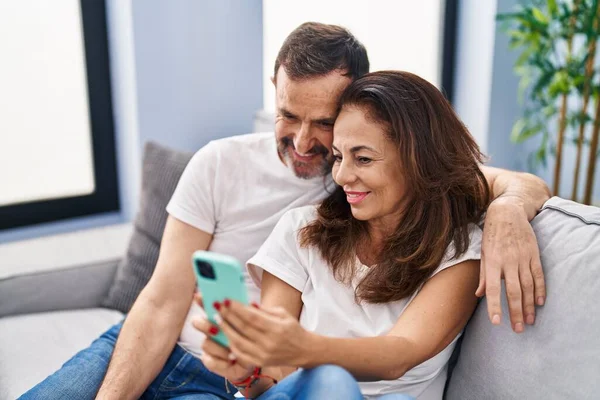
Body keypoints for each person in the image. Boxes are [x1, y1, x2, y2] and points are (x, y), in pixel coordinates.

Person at [21, 23, 549, 399]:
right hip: (166, 347)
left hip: (241, 379)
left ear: (349, 108)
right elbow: (162, 300)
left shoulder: (384, 188)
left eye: (323, 123)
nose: (303, 142)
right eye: (287, 114)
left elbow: (504, 181)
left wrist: (507, 211)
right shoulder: (233, 172)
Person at [193, 69, 493, 399]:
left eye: (362, 159)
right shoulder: (302, 231)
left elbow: (401, 353)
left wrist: (304, 348)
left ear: (418, 160)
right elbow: (275, 381)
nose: (342, 175)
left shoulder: (459, 251)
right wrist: (247, 375)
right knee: (330, 383)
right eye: (338, 157)